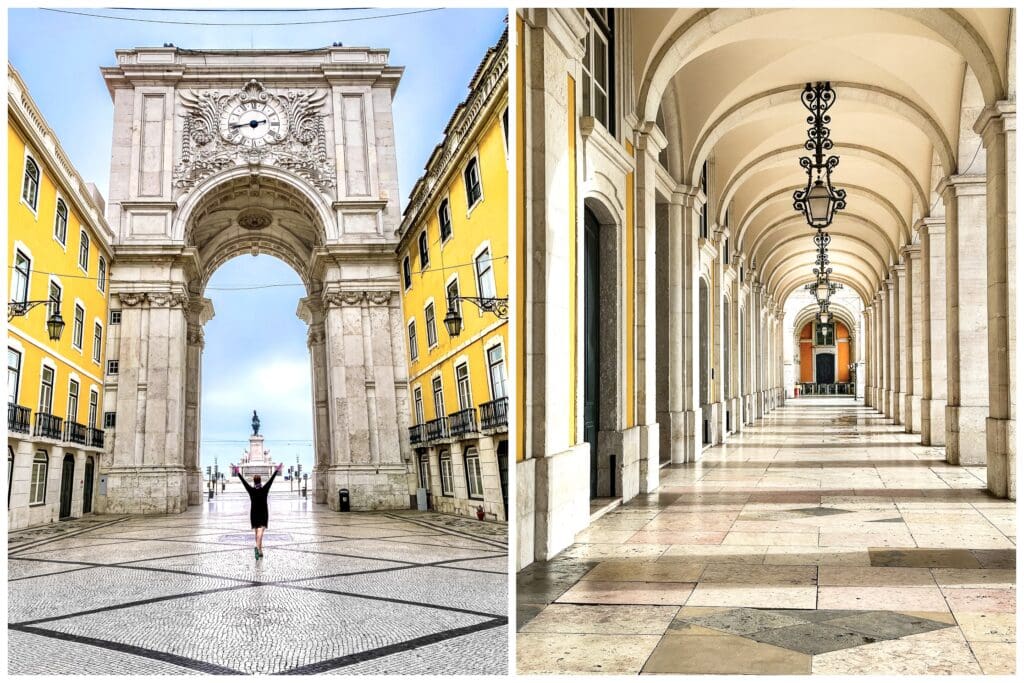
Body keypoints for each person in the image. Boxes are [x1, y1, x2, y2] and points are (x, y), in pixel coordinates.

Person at [237, 466, 279, 559]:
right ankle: (257, 547)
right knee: (260, 532)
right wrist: (276, 470)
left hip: (254, 514)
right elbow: (271, 480)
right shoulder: (264, 489)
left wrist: (238, 472)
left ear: (254, 481)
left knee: (257, 532)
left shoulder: (251, 490)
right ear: (260, 481)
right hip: (263, 513)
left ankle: (260, 550)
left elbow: (244, 482)